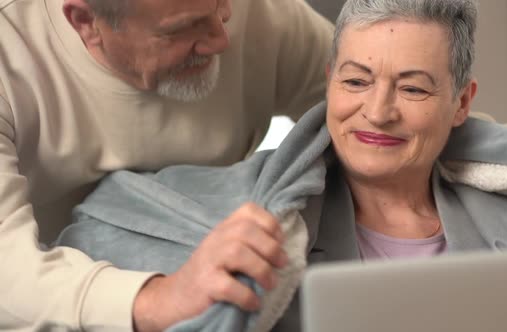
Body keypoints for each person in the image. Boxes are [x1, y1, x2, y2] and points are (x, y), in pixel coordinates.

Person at [52, 0, 507, 331]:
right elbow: (99, 226)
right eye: (355, 81)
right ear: (328, 78)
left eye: (413, 87)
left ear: (462, 103)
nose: (377, 111)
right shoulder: (242, 215)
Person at [0, 0, 334, 330]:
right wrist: (160, 299)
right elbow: (9, 271)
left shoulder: (261, 11)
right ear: (85, 21)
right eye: (181, 29)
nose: (221, 40)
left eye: (222, 8)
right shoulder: (9, 47)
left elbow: (359, 107)